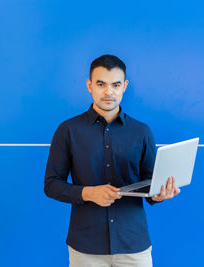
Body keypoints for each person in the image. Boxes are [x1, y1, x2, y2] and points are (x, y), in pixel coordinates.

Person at [44, 54, 180, 267]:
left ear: (125, 86)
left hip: (133, 245)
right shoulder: (68, 130)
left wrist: (161, 194)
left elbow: (150, 183)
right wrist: (89, 193)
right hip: (86, 248)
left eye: (116, 84)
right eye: (101, 84)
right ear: (89, 86)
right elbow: (51, 185)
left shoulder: (141, 131)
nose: (109, 92)